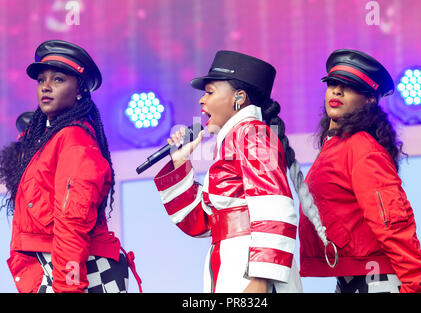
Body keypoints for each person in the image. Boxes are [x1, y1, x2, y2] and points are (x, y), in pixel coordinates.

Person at [152, 50, 325, 292]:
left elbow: (274, 206)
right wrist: (181, 160)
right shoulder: (235, 139)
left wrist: (260, 279)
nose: (202, 100)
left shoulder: (251, 134)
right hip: (231, 262)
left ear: (239, 97)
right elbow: (200, 223)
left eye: (210, 92)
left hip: (249, 267)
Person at [0, 40, 141, 293]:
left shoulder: (75, 141)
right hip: (55, 271)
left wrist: (69, 287)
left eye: (58, 80)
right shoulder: (51, 140)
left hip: (76, 274)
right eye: (41, 80)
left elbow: (72, 224)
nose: (46, 87)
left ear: (79, 91)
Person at [298, 49, 421, 293]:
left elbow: (391, 221)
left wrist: (414, 284)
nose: (337, 91)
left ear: (370, 99)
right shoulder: (337, 145)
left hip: (375, 280)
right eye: (332, 84)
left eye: (349, 86)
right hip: (352, 279)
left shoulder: (361, 148)